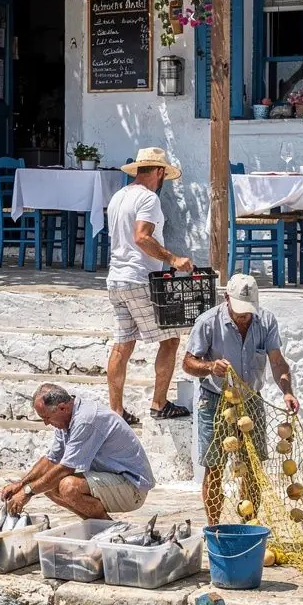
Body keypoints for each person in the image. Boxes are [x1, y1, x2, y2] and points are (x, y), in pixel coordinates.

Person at [182, 273, 300, 524]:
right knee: (214, 466)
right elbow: (188, 363)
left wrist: (287, 391)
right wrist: (210, 366)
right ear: (226, 299)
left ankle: (249, 525)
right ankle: (214, 527)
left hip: (251, 398)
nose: (244, 316)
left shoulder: (266, 321)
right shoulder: (207, 322)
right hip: (214, 400)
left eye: (248, 311)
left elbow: (277, 362)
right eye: (239, 311)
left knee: (253, 466)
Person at [106, 146, 195, 425]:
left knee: (122, 345)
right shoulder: (148, 199)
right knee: (170, 339)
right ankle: (159, 403)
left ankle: (116, 410)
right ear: (159, 172)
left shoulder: (119, 196)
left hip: (116, 278)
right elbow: (142, 237)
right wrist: (173, 259)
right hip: (138, 278)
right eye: (164, 175)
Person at [2, 383, 155, 520]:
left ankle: (107, 529)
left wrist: (27, 492)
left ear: (62, 407)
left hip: (133, 488)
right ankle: (98, 525)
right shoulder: (65, 420)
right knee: (47, 486)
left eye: (47, 417)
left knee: (68, 486)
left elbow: (66, 468)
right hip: (112, 479)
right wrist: (21, 484)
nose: (46, 423)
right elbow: (51, 459)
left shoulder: (85, 420)